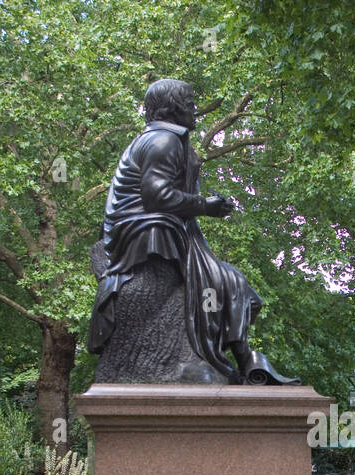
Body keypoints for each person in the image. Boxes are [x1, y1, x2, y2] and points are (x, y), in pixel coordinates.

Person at [88, 78, 295, 385]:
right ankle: (242, 358)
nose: (195, 109)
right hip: (147, 234)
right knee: (227, 281)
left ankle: (244, 357)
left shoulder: (165, 139)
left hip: (161, 229)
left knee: (230, 282)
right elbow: (156, 195)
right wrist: (205, 205)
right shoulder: (163, 140)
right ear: (171, 108)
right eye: (189, 103)